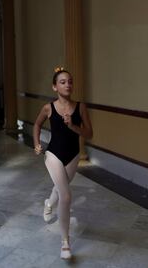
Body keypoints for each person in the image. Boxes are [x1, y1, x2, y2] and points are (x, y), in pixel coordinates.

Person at [33, 67, 93, 260]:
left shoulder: (81, 107)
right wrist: (36, 143)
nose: (68, 84)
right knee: (66, 195)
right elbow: (37, 124)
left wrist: (73, 126)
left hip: (73, 156)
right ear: (55, 87)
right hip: (53, 155)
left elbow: (89, 134)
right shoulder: (48, 108)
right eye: (62, 82)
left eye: (70, 81)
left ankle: (49, 202)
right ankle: (65, 243)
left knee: (60, 189)